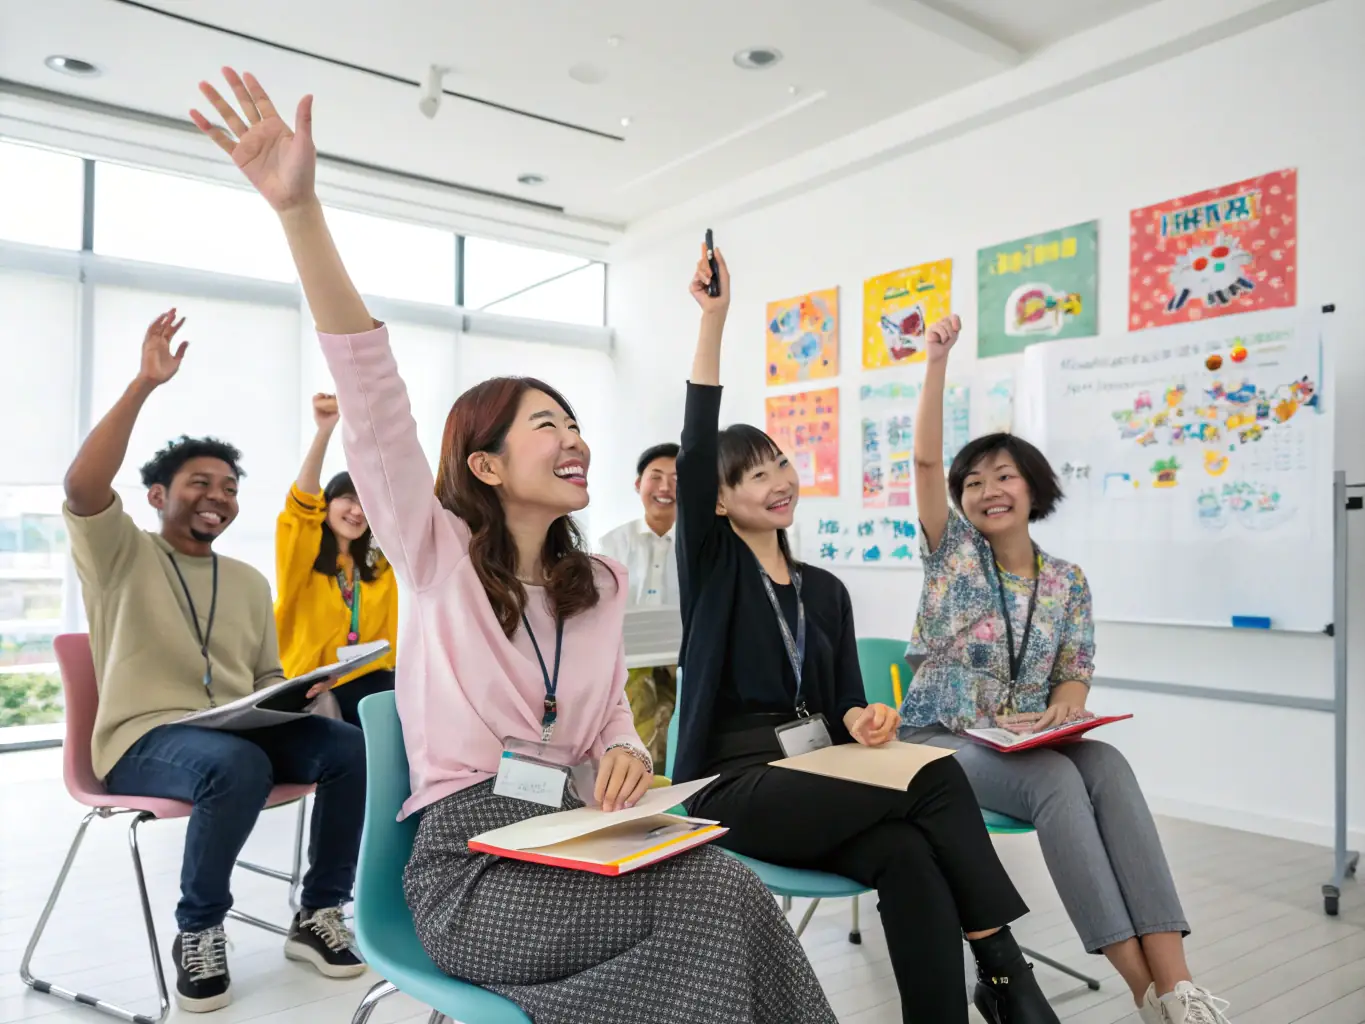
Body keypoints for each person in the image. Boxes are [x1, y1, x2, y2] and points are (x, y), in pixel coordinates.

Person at [191, 67, 839, 1024]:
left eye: (575, 420)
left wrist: (620, 753)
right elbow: (371, 400)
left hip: (584, 829)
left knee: (731, 891)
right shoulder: (435, 551)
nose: (573, 436)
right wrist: (300, 214)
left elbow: (609, 718)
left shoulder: (602, 582)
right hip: (471, 863)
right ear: (485, 465)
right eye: (546, 424)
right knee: (707, 910)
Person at [672, 247, 1060, 1024]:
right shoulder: (713, 569)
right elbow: (693, 446)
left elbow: (846, 698)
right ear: (716, 502)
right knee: (936, 777)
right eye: (754, 475)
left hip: (817, 771)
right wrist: (713, 320)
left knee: (908, 855)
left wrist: (862, 717)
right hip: (731, 785)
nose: (779, 479)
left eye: (781, 463)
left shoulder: (824, 590)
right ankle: (1009, 981)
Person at [899, 314, 1230, 1024]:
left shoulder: (1066, 580)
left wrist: (1067, 705)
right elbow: (925, 464)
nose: (988, 489)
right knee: (1055, 779)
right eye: (974, 481)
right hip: (938, 738)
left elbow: (1075, 665)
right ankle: (1142, 988)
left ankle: (1176, 986)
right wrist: (936, 361)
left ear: (1032, 487)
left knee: (1104, 761)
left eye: (1004, 475)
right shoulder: (952, 557)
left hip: (1020, 738)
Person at [63, 309, 367, 1014]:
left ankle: (320, 911)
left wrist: (298, 691)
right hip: (146, 742)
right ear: (158, 496)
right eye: (200, 483)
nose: (219, 496)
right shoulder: (121, 555)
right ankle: (198, 928)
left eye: (229, 487)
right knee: (236, 767)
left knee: (350, 746)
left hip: (237, 730)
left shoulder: (248, 580)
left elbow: (262, 678)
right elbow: (82, 488)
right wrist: (143, 384)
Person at [275, 392, 399, 728]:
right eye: (347, 498)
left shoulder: (378, 571)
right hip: (306, 689)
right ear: (326, 504)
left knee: (397, 696)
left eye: (366, 503)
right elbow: (300, 506)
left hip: (366, 685)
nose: (358, 510)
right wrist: (324, 431)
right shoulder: (303, 564)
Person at [597, 442, 679, 766]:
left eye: (676, 478)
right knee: (638, 739)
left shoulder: (700, 545)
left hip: (682, 659)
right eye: (655, 476)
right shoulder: (612, 543)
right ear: (638, 484)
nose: (665, 487)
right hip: (630, 660)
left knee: (677, 736)